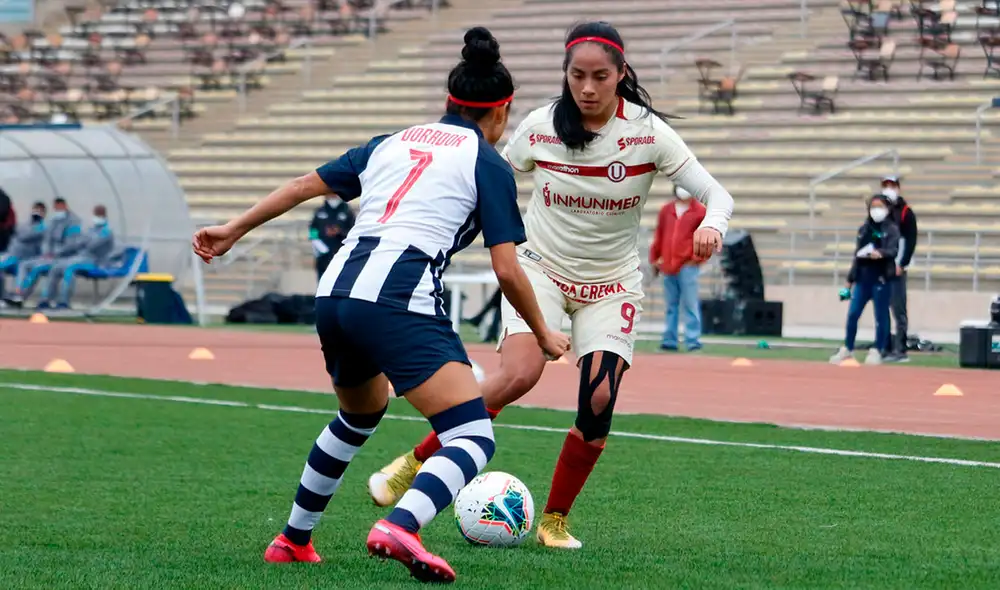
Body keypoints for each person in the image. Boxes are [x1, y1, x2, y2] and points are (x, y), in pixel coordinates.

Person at [191, 27, 570, 584]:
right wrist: (543, 334)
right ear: (502, 111)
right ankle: (402, 525)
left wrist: (232, 229)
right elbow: (508, 267)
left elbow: (303, 185)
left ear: (449, 100)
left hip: (336, 294)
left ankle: (293, 540)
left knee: (360, 413)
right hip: (397, 299)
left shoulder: (393, 140)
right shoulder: (487, 162)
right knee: (471, 434)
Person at [368, 20, 734, 550]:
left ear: (621, 75)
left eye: (600, 77)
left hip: (612, 283)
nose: (587, 88)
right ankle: (414, 462)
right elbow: (487, 175)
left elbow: (716, 195)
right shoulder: (540, 126)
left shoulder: (648, 133)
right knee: (519, 375)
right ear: (565, 75)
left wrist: (711, 225)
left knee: (600, 398)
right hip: (539, 270)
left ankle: (554, 521)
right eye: (577, 76)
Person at [830, 193, 900, 366]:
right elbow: (857, 256)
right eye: (873, 206)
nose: (876, 210)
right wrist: (849, 281)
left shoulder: (891, 229)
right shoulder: (864, 229)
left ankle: (878, 349)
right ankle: (848, 347)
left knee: (881, 316)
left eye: (880, 206)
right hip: (863, 279)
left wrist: (881, 253)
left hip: (881, 278)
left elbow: (893, 250)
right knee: (853, 313)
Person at [649, 186, 707, 352]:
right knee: (671, 305)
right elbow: (660, 235)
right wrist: (655, 258)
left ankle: (693, 340)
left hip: (688, 265)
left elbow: (705, 237)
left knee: (690, 304)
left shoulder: (699, 212)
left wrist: (697, 259)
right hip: (668, 265)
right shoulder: (666, 210)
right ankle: (670, 340)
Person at [4, 197, 81, 307]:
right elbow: (46, 240)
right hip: (46, 256)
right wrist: (47, 252)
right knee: (24, 265)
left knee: (37, 268)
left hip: (62, 258)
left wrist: (54, 253)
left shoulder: (73, 222)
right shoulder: (53, 222)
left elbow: (71, 244)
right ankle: (17, 293)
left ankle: (23, 296)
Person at [35, 205, 115, 310]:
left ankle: (64, 302)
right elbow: (79, 242)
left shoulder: (106, 231)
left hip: (95, 261)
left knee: (69, 268)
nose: (97, 217)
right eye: (96, 214)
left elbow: (91, 245)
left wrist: (83, 242)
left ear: (104, 215)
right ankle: (45, 300)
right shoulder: (91, 229)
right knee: (55, 267)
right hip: (81, 257)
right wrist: (81, 242)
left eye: (99, 214)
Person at [880, 176, 917, 363]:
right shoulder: (880, 212)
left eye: (892, 185)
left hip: (896, 266)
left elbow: (910, 240)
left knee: (898, 308)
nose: (888, 189)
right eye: (885, 185)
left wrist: (902, 263)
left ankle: (900, 349)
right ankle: (884, 347)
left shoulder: (905, 212)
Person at [0, 201, 47, 302]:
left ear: (44, 213)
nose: (36, 212)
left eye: (40, 211)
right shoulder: (24, 224)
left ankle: (18, 297)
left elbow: (26, 235)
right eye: (35, 210)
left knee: (27, 273)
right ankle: (3, 296)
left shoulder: (45, 227)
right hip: (13, 256)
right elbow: (20, 234)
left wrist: (37, 229)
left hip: (28, 259)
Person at [308, 192, 355, 280]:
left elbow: (353, 230)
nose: (332, 196)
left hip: (341, 252)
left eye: (335, 193)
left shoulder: (347, 212)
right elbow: (312, 230)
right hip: (323, 254)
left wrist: (340, 232)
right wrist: (318, 245)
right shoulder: (319, 211)